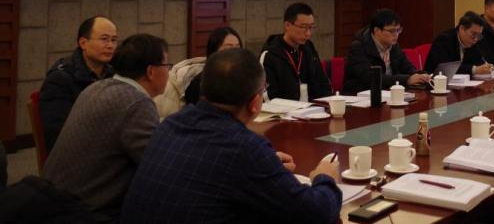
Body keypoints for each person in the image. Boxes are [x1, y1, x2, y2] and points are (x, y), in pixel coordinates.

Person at [121, 48, 342, 224]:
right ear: (255, 103)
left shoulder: (170, 125)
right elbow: (316, 213)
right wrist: (325, 178)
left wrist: (263, 166)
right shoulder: (245, 148)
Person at [43, 34, 169, 220]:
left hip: (50, 201)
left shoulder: (96, 87)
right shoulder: (136, 102)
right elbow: (157, 164)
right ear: (151, 71)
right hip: (83, 213)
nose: (169, 72)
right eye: (167, 66)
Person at [40, 16, 118, 152]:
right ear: (83, 43)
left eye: (114, 40)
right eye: (104, 39)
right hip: (78, 152)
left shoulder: (114, 72)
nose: (110, 45)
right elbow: (59, 133)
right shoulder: (60, 79)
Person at [155, 26, 243, 118]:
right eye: (228, 48)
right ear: (214, 52)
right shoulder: (201, 83)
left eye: (237, 48)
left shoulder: (243, 77)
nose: (234, 53)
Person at [342, 9, 431, 94]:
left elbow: (406, 67)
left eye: (398, 30)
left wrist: (421, 75)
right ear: (377, 31)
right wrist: (407, 79)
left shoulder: (393, 45)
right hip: (360, 96)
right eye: (392, 31)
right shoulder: (358, 47)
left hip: (387, 94)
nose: (396, 35)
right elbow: (370, 78)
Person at [261, 3, 332, 100]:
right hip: (284, 109)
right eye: (303, 27)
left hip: (314, 107)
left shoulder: (309, 48)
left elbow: (323, 84)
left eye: (311, 27)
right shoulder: (270, 55)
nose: (308, 33)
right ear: (287, 25)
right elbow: (268, 98)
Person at [423, 11, 493, 76]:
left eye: (479, 35)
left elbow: (478, 61)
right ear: (462, 28)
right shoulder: (444, 40)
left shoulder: (474, 41)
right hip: (435, 82)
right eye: (473, 34)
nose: (476, 39)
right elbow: (446, 68)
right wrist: (474, 69)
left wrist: (486, 67)